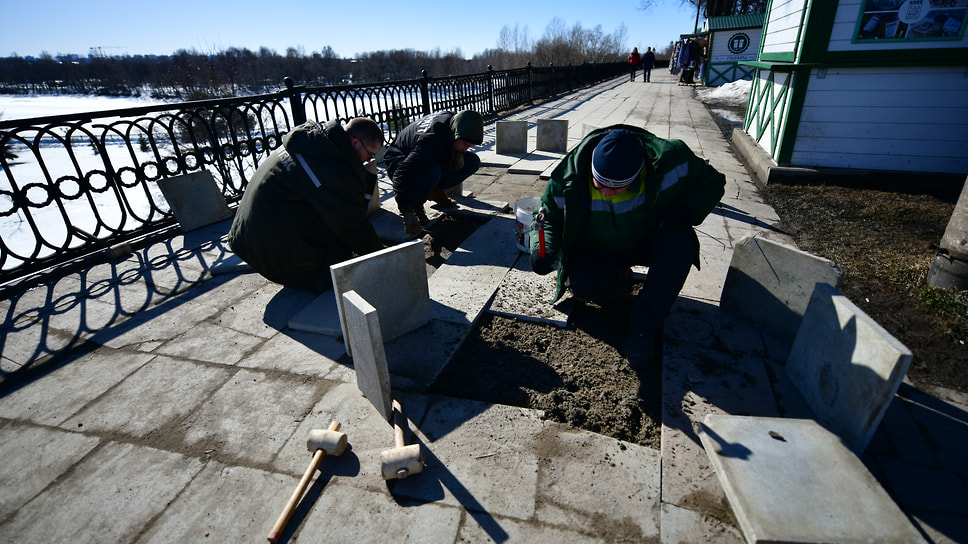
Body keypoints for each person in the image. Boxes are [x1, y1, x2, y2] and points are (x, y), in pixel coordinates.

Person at [528, 126, 725, 369]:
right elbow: (547, 217)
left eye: (617, 187)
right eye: (599, 183)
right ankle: (618, 281)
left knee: (680, 243)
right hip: (599, 248)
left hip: (649, 240)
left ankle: (644, 326)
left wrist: (688, 210)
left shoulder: (672, 160)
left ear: (640, 171)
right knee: (584, 286)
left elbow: (713, 183)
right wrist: (541, 248)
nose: (607, 192)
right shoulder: (570, 174)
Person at [227, 117, 386, 294]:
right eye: (370, 155)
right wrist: (385, 258)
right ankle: (314, 278)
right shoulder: (334, 170)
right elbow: (354, 227)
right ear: (355, 143)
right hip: (272, 258)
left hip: (244, 238)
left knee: (330, 217)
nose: (367, 161)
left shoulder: (315, 142)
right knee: (340, 249)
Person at [384, 110, 484, 236]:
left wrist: (457, 152)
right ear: (456, 134)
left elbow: (449, 145)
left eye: (470, 146)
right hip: (399, 162)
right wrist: (406, 211)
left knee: (472, 162)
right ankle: (416, 203)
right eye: (465, 145)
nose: (466, 148)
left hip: (423, 155)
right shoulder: (431, 141)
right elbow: (401, 174)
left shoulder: (456, 121)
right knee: (433, 172)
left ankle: (434, 191)